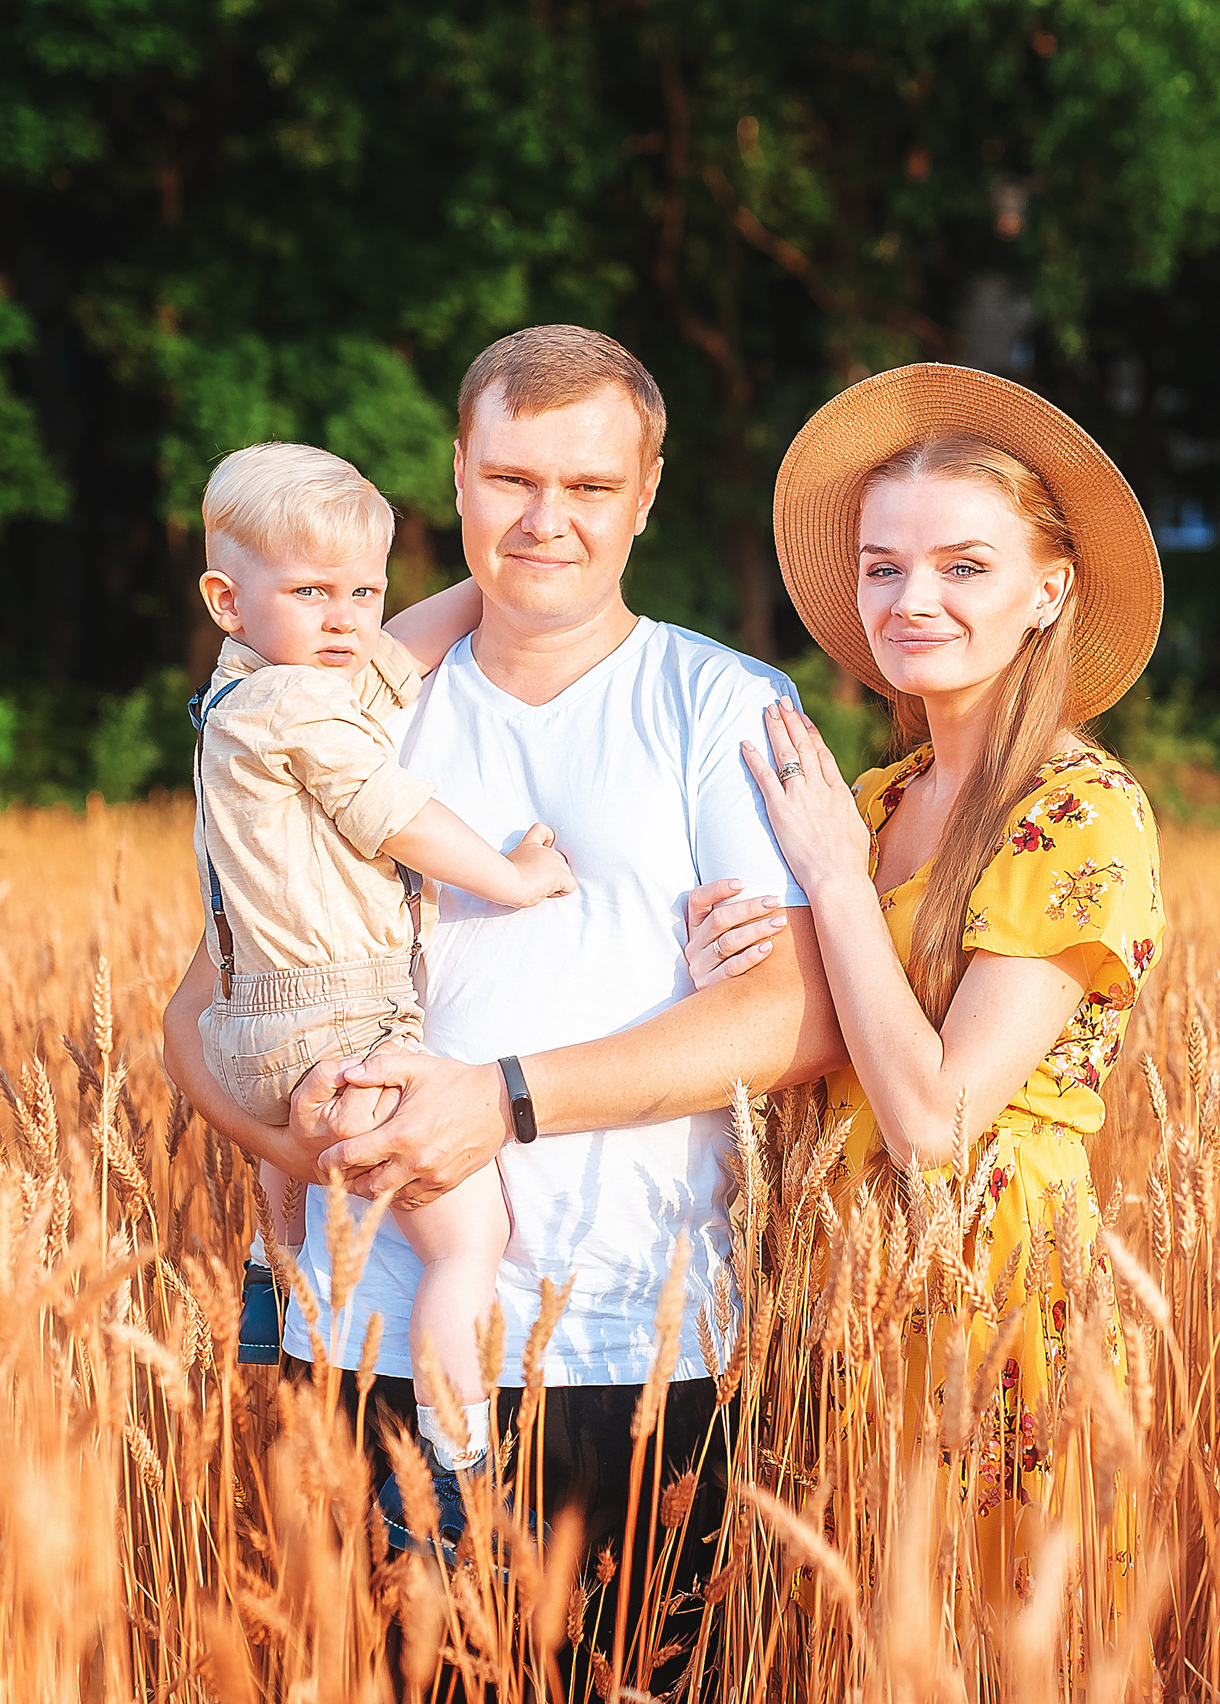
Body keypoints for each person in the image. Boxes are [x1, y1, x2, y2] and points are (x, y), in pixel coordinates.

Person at [161, 327, 843, 1615]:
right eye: (513, 479)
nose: (548, 519)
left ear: (645, 498)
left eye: (589, 487)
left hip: (633, 1345)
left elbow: (797, 1014)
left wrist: (502, 1098)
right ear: (458, 479)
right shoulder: (342, 699)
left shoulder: (724, 706)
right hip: (363, 1345)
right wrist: (313, 1156)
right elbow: (201, 1011)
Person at [683, 363, 1166, 1609]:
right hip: (836, 1277)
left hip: (991, 1297)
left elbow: (937, 1124)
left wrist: (835, 888)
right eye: (884, 566)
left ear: (1048, 589)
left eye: (964, 567)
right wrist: (730, 980)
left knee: (981, 1639)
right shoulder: (879, 799)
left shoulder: (1080, 814)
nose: (914, 600)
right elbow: (825, 1040)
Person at [182, 442, 575, 1486]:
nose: (347, 618)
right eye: (313, 592)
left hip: (256, 1026)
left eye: (363, 589)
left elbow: (393, 653)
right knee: (468, 1240)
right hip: (339, 1023)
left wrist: (486, 578)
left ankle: (275, 1282)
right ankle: (460, 1470)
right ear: (227, 599)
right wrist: (509, 877)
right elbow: (392, 811)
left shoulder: (247, 693)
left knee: (295, 1132)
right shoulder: (299, 709)